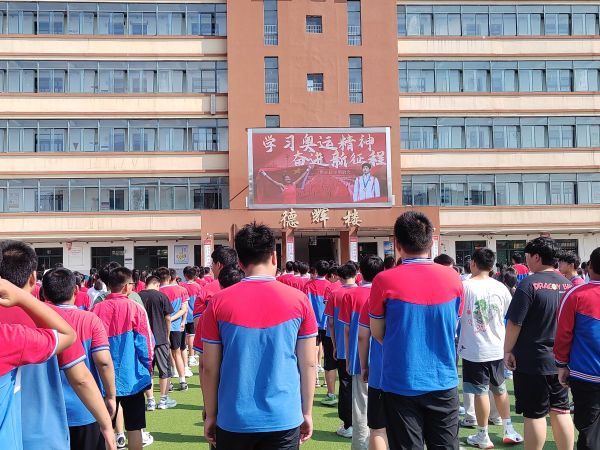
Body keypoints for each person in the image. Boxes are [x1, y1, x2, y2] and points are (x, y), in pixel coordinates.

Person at [201, 222, 317, 449]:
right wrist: (307, 412)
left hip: (234, 417)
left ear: (240, 262)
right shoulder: (299, 300)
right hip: (284, 417)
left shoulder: (218, 303)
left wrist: (211, 414)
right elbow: (309, 363)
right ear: (274, 256)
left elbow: (209, 367)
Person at [369, 212, 464, 449]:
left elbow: (378, 332)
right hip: (443, 380)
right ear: (431, 242)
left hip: (400, 381)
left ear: (397, 244)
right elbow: (453, 325)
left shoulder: (384, 280)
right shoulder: (453, 278)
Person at [0, 240, 87, 450]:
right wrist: (22, 297)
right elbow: (68, 337)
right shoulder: (8, 337)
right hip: (42, 434)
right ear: (33, 277)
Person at [504, 237, 574, 450]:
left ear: (536, 257)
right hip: (561, 360)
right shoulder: (568, 285)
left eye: (527, 256)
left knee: (534, 414)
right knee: (561, 411)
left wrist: (507, 350)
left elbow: (515, 322)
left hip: (532, 360)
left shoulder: (528, 284)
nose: (526, 260)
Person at [42, 268, 117, 450]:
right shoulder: (90, 320)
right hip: (86, 407)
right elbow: (103, 361)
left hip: (46, 411)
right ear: (76, 289)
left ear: (44, 293)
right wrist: (111, 396)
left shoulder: (36, 319)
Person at [457, 249, 523, 448]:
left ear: (473, 263)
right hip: (497, 346)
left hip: (474, 349)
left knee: (480, 393)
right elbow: (509, 316)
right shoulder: (501, 287)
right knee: (500, 389)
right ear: (492, 265)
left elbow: (457, 315)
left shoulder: (464, 286)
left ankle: (483, 434)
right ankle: (508, 428)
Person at [91, 267, 154, 450]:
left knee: (105, 428)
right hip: (132, 376)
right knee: (135, 428)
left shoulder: (95, 309)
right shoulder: (135, 308)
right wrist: (148, 369)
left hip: (103, 379)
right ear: (127, 287)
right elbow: (146, 344)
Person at [554, 247, 600, 450]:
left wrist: (561, 364)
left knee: (588, 430)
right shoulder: (575, 292)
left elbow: (563, 333)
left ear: (590, 267)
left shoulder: (575, 294)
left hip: (586, 374)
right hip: (585, 374)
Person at [340, 255, 384, 450]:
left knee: (360, 406)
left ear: (360, 272)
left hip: (359, 358)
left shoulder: (351, 295)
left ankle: (359, 445)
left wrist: (349, 358)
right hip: (383, 359)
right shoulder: (385, 294)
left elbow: (348, 330)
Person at [324, 263, 358, 438]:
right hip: (365, 348)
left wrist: (335, 345)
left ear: (339, 276)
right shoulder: (365, 292)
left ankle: (349, 424)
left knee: (345, 385)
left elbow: (330, 322)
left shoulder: (334, 294)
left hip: (344, 348)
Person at [138, 275, 176, 411]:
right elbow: (168, 318)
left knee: (147, 370)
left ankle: (150, 401)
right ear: (157, 284)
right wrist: (167, 335)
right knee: (164, 370)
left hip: (144, 340)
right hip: (160, 338)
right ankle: (163, 400)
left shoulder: (137, 297)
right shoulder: (162, 296)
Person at [304, 260, 336, 402]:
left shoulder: (308, 285)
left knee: (312, 351)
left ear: (316, 271)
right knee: (328, 356)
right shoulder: (330, 286)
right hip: (327, 324)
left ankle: (315, 379)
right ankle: (329, 389)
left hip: (312, 324)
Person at [156, 267, 189, 391]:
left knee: (166, 354)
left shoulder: (157, 292)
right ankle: (182, 381)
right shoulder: (181, 289)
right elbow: (184, 309)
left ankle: (168, 383)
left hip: (161, 328)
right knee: (177, 353)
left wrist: (168, 320)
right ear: (170, 277)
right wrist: (180, 320)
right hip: (176, 326)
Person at [182, 266, 202, 372]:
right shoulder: (198, 287)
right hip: (193, 315)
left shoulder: (181, 286)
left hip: (182, 314)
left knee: (185, 336)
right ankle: (191, 356)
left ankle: (187, 357)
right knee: (191, 336)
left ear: (185, 275)